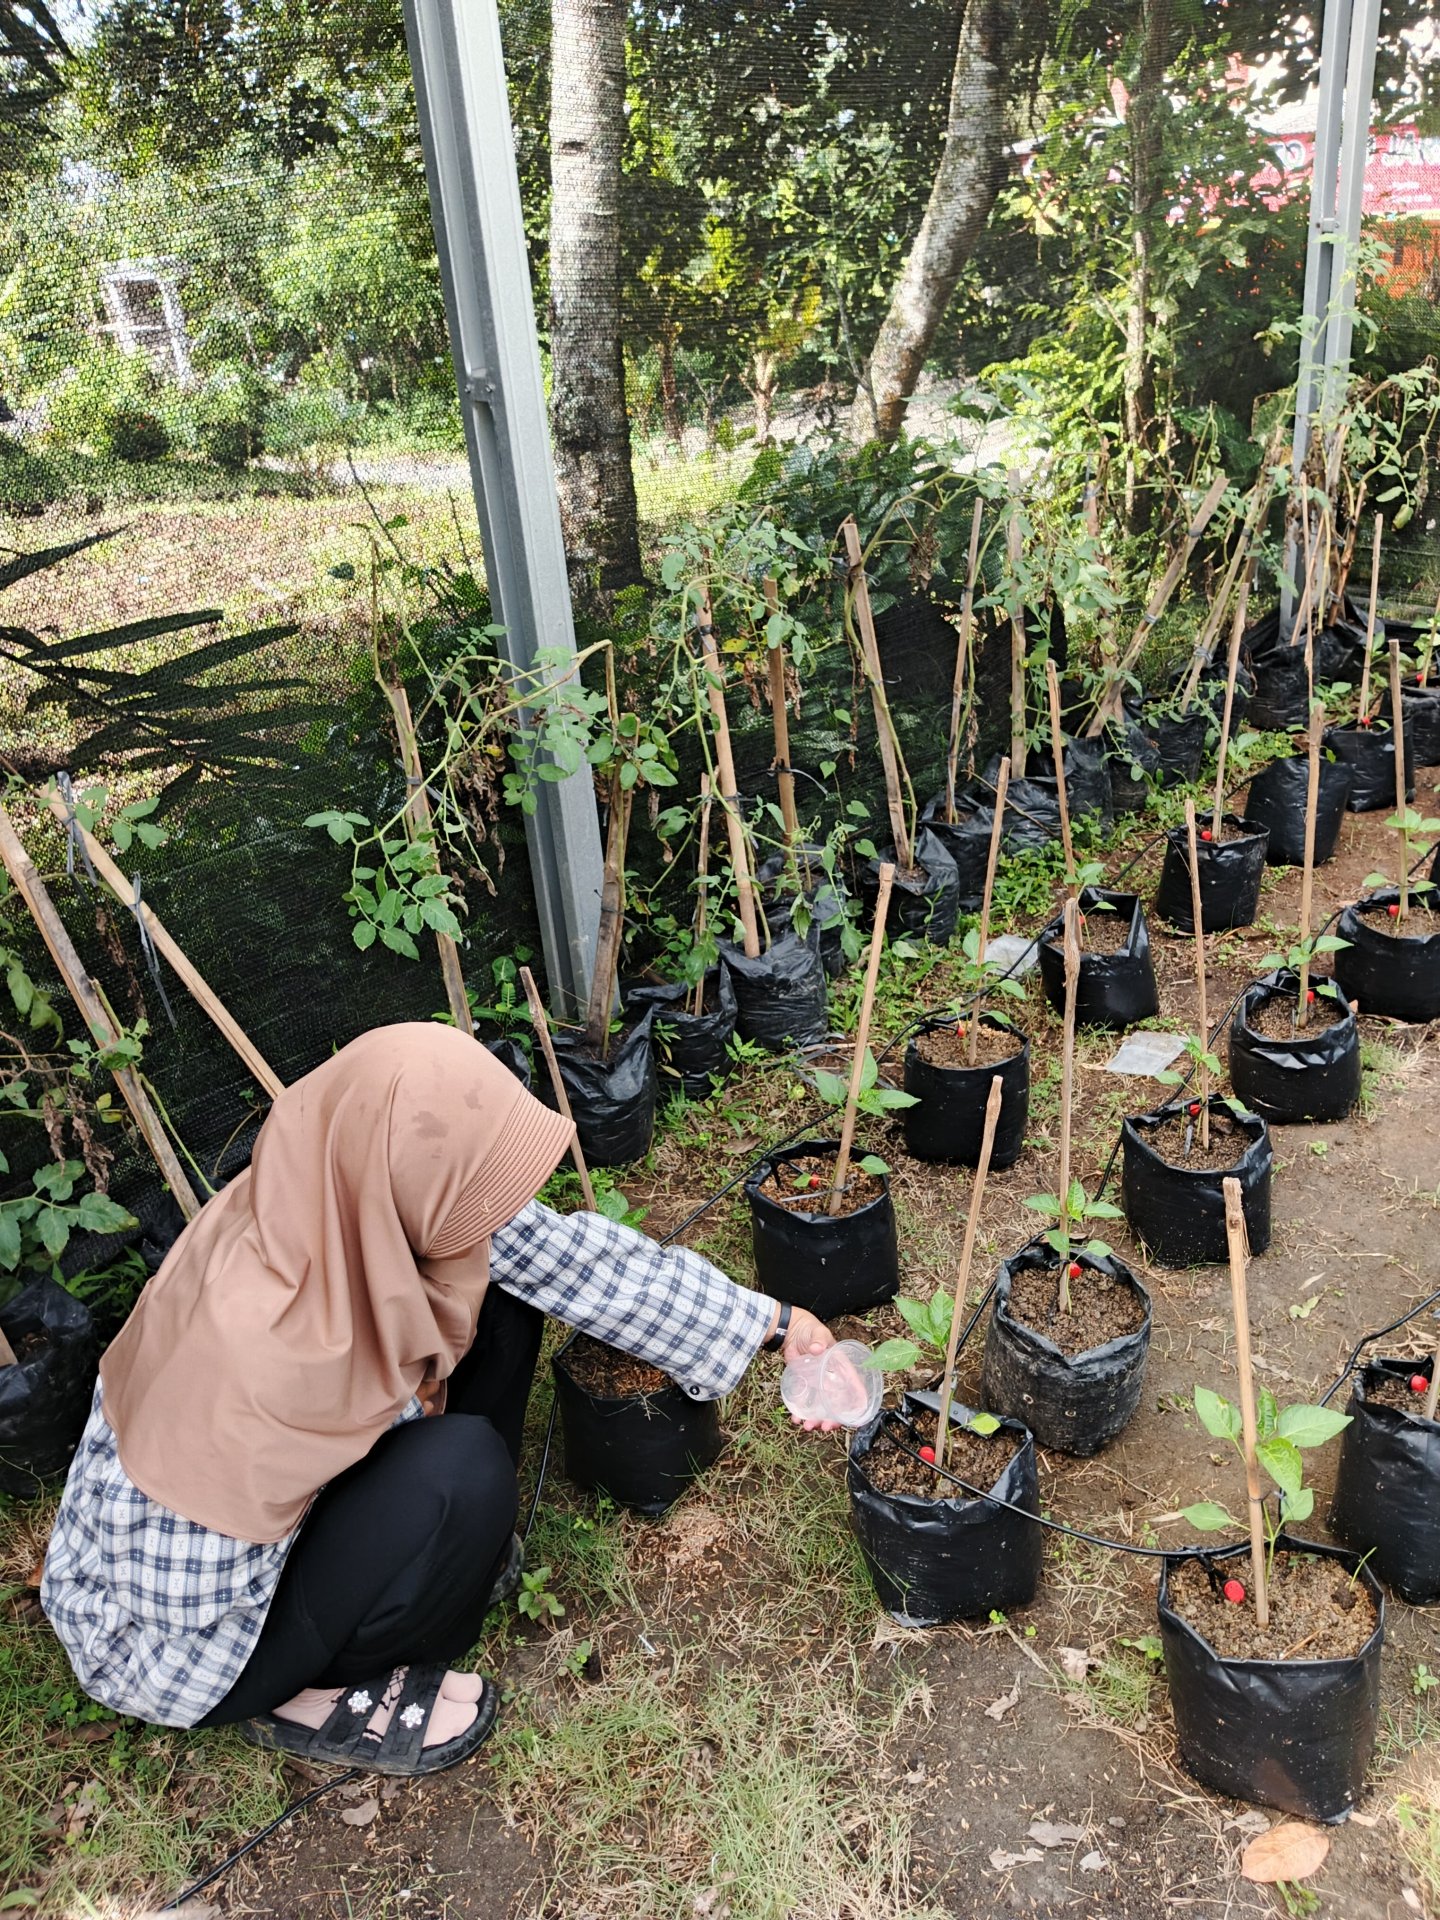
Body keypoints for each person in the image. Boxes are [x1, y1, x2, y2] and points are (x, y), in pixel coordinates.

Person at [41, 1023, 838, 1778]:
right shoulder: (253, 1356)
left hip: (243, 1519)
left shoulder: (333, 1194)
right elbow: (175, 1598)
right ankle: (308, 1696)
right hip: (181, 1638)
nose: (491, 1216)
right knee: (461, 1474)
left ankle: (435, 1539)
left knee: (498, 1291)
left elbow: (569, 1260)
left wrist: (772, 1324)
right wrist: (369, 1515)